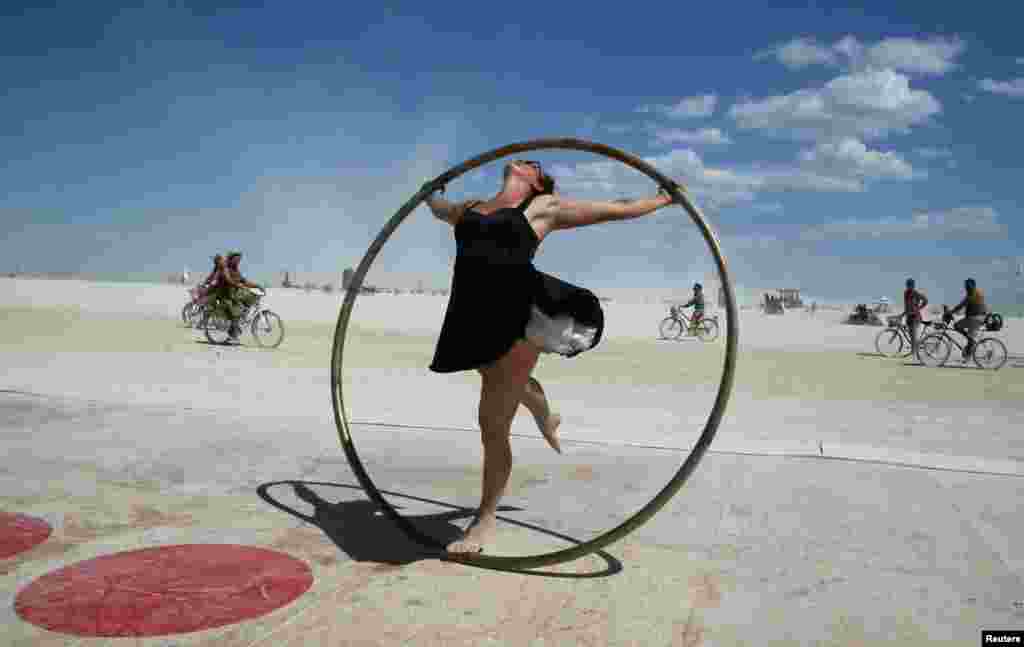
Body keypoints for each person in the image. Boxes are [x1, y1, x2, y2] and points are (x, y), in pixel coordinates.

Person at [424, 159, 675, 554]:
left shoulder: (543, 208)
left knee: (492, 423)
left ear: (536, 181)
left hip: (519, 313)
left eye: (531, 164)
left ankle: (484, 520)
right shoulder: (470, 208)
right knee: (496, 378)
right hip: (472, 314)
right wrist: (433, 194)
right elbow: (440, 210)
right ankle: (545, 413)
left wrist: (662, 199)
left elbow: (616, 208)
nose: (522, 161)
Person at [218, 251, 262, 343]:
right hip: (225, 295)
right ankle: (232, 335)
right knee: (236, 313)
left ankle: (237, 327)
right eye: (236, 260)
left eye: (239, 260)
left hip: (234, 294)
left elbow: (244, 282)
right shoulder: (225, 269)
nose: (238, 262)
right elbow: (228, 280)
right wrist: (238, 285)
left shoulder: (236, 270)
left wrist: (257, 285)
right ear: (231, 259)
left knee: (249, 300)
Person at [947, 278, 988, 361]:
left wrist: (951, 312)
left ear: (972, 285)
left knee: (957, 326)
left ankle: (969, 350)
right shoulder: (974, 292)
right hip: (975, 318)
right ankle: (968, 352)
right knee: (969, 336)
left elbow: (962, 304)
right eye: (965, 285)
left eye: (967, 285)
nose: (965, 287)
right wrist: (952, 311)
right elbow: (964, 304)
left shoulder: (974, 293)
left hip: (975, 318)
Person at [899, 278, 928, 361]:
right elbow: (907, 306)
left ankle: (914, 352)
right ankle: (913, 351)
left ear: (913, 285)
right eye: (908, 285)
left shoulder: (916, 293)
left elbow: (925, 300)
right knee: (911, 335)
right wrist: (902, 314)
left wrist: (918, 308)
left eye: (910, 285)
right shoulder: (906, 293)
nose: (909, 286)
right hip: (909, 316)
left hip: (916, 316)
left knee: (913, 335)